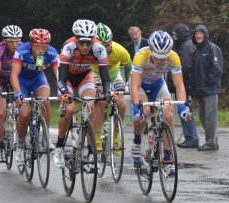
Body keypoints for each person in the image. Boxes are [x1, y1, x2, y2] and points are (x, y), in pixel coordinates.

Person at [131, 30, 190, 176]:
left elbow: (179, 85)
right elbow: (135, 86)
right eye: (157, 58)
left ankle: (168, 157)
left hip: (158, 84)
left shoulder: (174, 57)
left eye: (164, 58)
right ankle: (137, 142)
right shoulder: (140, 57)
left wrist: (182, 107)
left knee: (168, 115)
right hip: (141, 86)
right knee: (144, 113)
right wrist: (135, 108)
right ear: (151, 50)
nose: (160, 62)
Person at [54, 19, 111, 168]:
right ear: (75, 39)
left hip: (84, 77)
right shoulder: (68, 47)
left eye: (88, 43)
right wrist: (66, 94)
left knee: (90, 106)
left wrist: (107, 93)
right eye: (81, 43)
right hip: (67, 79)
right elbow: (62, 78)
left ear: (93, 40)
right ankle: (59, 146)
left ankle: (91, 152)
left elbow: (105, 77)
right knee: (70, 109)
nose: (85, 47)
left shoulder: (99, 48)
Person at [10, 28, 59, 166]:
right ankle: (20, 144)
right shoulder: (22, 51)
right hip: (22, 82)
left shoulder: (52, 53)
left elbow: (59, 74)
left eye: (44, 46)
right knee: (25, 113)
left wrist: (63, 90)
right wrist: (18, 92)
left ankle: (45, 136)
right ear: (31, 44)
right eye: (37, 46)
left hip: (38, 79)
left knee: (45, 101)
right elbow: (14, 74)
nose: (41, 50)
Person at [92, 22, 132, 153]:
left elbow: (130, 69)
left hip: (114, 76)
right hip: (97, 74)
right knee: (101, 101)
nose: (105, 49)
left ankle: (116, 135)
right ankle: (97, 135)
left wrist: (129, 85)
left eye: (107, 45)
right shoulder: (91, 52)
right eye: (101, 46)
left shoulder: (120, 51)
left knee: (122, 103)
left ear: (112, 42)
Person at [0, 25, 22, 162]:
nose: (15, 44)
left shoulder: (23, 48)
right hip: (2, 82)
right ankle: (0, 146)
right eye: (11, 41)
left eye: (17, 41)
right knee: (0, 112)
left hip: (17, 80)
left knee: (23, 108)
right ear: (5, 41)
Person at [166, 24, 199, 148]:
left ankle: (192, 138)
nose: (173, 37)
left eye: (175, 35)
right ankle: (190, 137)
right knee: (185, 109)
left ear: (180, 36)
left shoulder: (185, 48)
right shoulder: (186, 46)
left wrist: (172, 78)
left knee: (186, 109)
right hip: (186, 84)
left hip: (185, 85)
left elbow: (183, 68)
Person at [191, 25, 223, 151]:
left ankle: (211, 143)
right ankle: (213, 141)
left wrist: (208, 81)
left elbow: (217, 69)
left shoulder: (212, 48)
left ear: (205, 34)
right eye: (196, 33)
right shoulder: (197, 50)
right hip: (200, 90)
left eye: (200, 33)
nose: (198, 36)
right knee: (203, 116)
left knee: (210, 116)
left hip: (210, 89)